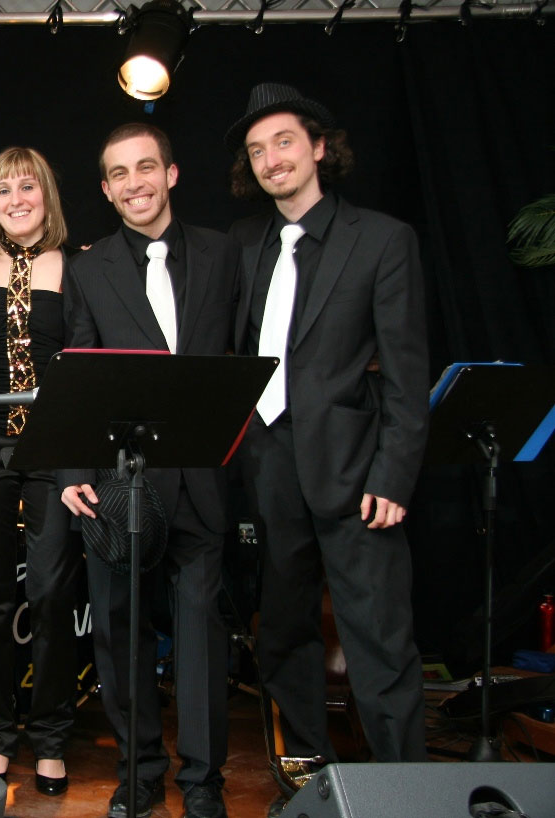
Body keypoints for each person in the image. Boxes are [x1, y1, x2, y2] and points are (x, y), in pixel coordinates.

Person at [224, 83, 429, 816]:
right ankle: (313, 778)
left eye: (284, 142)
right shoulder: (243, 244)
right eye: (257, 151)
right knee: (283, 634)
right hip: (268, 466)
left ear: (318, 147)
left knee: (378, 638)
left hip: (357, 472)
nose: (271, 159)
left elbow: (407, 374)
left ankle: (405, 791)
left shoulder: (383, 239)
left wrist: (394, 474)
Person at [61, 123, 238, 818]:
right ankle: (138, 775)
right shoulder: (87, 270)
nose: (134, 183)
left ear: (171, 173)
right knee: (119, 636)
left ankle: (203, 784)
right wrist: (72, 469)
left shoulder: (225, 254)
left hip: (202, 479)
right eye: (119, 174)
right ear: (106, 190)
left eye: (145, 167)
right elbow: (77, 370)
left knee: (201, 641)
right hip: (119, 487)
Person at [0, 147, 80, 796]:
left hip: (53, 446)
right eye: (2, 190)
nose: (15, 200)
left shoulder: (78, 267)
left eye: (27, 186)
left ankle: (52, 737)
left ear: (46, 196)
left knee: (52, 595)